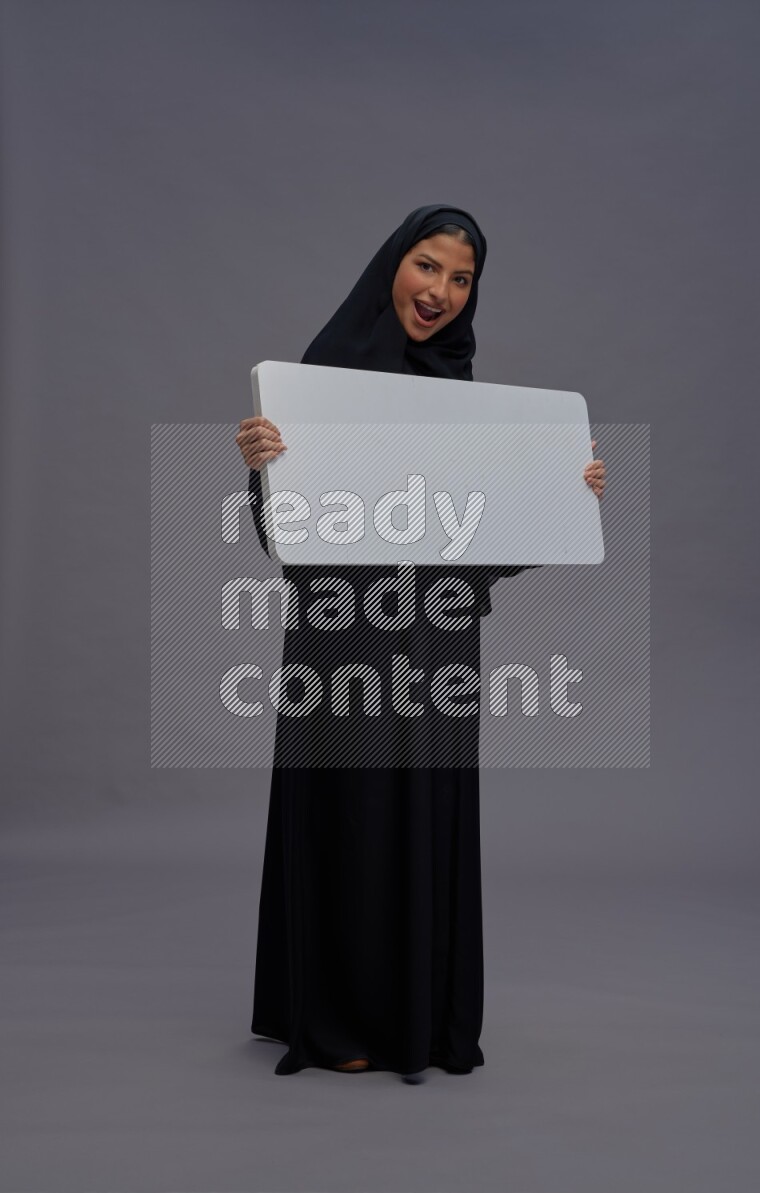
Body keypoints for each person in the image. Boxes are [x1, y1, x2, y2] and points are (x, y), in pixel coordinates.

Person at [236, 204, 606, 1082]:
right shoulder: (319, 379)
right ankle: (332, 1020)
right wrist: (262, 470)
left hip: (438, 647)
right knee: (350, 818)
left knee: (420, 814)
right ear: (392, 266)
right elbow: (282, 536)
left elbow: (485, 550)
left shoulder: (463, 399)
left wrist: (565, 494)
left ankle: (419, 1018)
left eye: (461, 278)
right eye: (427, 266)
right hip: (340, 645)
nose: (440, 291)